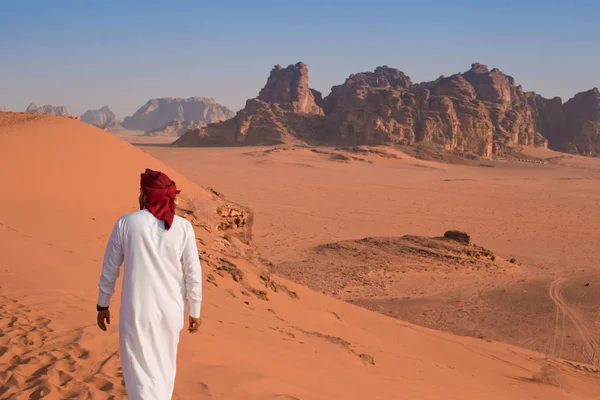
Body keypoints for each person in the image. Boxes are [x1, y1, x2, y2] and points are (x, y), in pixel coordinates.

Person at [96, 169, 202, 400]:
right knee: (165, 368)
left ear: (146, 194)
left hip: (138, 310)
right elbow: (193, 272)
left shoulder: (126, 223)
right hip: (172, 311)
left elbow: (110, 269)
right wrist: (195, 309)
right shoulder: (183, 227)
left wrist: (102, 305)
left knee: (140, 371)